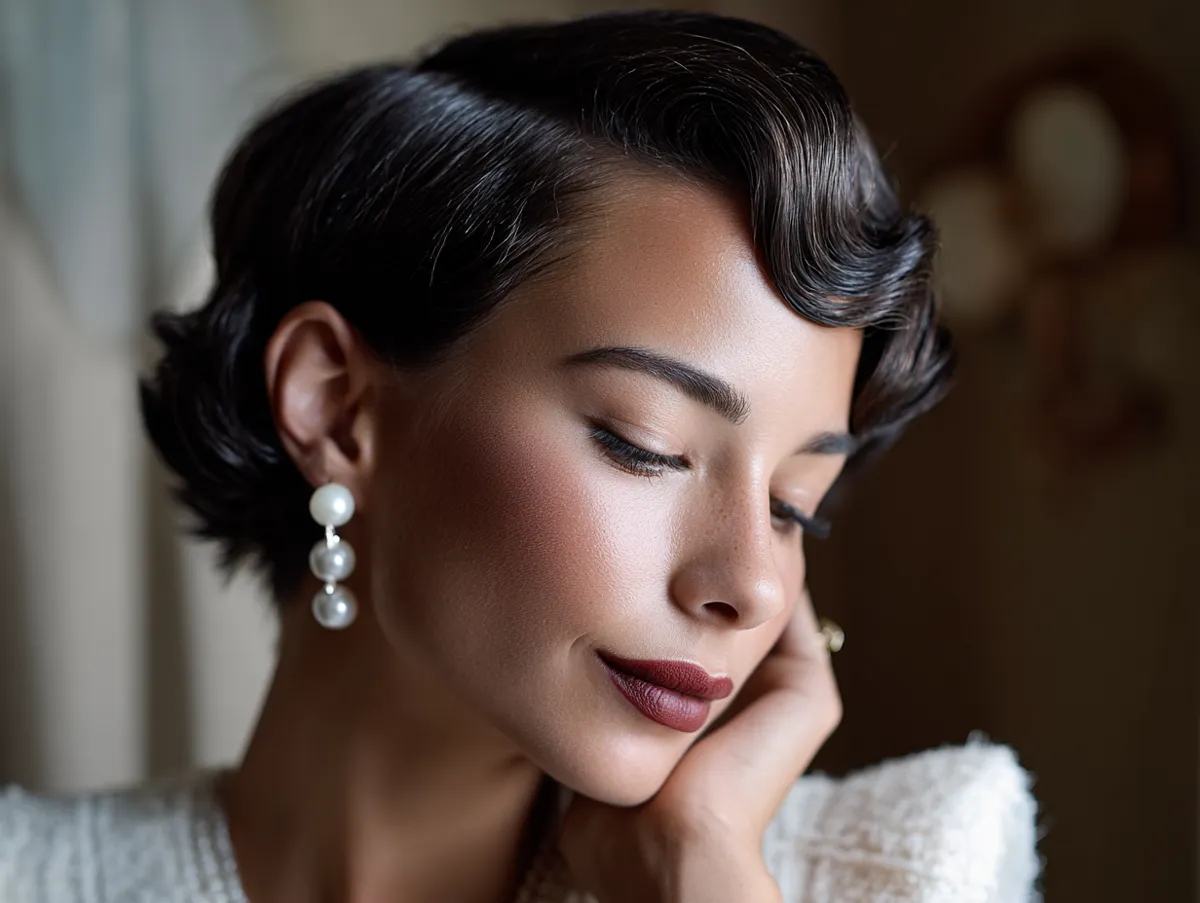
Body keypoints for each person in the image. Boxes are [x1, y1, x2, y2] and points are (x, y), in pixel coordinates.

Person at [0, 11, 1039, 903]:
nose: (755, 586)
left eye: (793, 503)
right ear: (336, 406)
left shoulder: (910, 867)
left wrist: (700, 870)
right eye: (646, 445)